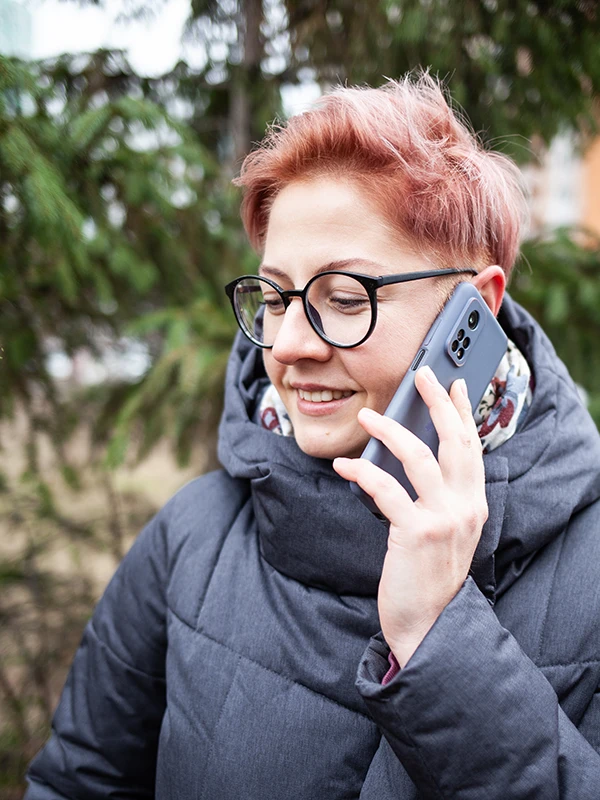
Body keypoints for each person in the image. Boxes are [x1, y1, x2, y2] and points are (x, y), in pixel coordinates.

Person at [25, 75, 600, 799]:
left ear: (473, 311)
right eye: (275, 297)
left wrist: (440, 641)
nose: (289, 344)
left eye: (345, 298)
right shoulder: (193, 539)